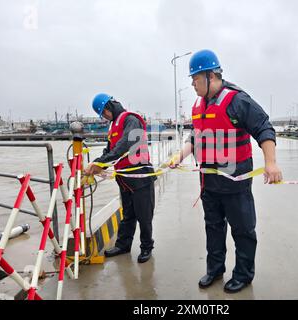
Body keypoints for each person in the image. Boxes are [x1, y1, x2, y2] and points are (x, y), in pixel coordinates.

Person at [170, 50, 283, 293]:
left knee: (242, 229)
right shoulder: (199, 105)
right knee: (213, 227)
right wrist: (179, 156)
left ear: (211, 76)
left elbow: (264, 129)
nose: (192, 84)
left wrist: (271, 162)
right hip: (208, 182)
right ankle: (215, 269)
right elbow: (196, 137)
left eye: (195, 79)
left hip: (235, 181)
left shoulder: (237, 101)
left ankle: (243, 275)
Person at [85, 94, 156, 263]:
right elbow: (110, 149)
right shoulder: (113, 126)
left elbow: (125, 144)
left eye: (104, 112)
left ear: (110, 106)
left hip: (140, 177)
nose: (105, 116)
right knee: (127, 215)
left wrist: (102, 162)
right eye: (102, 114)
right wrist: (97, 163)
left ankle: (146, 247)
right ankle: (123, 245)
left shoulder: (130, 120)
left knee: (144, 217)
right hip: (125, 179)